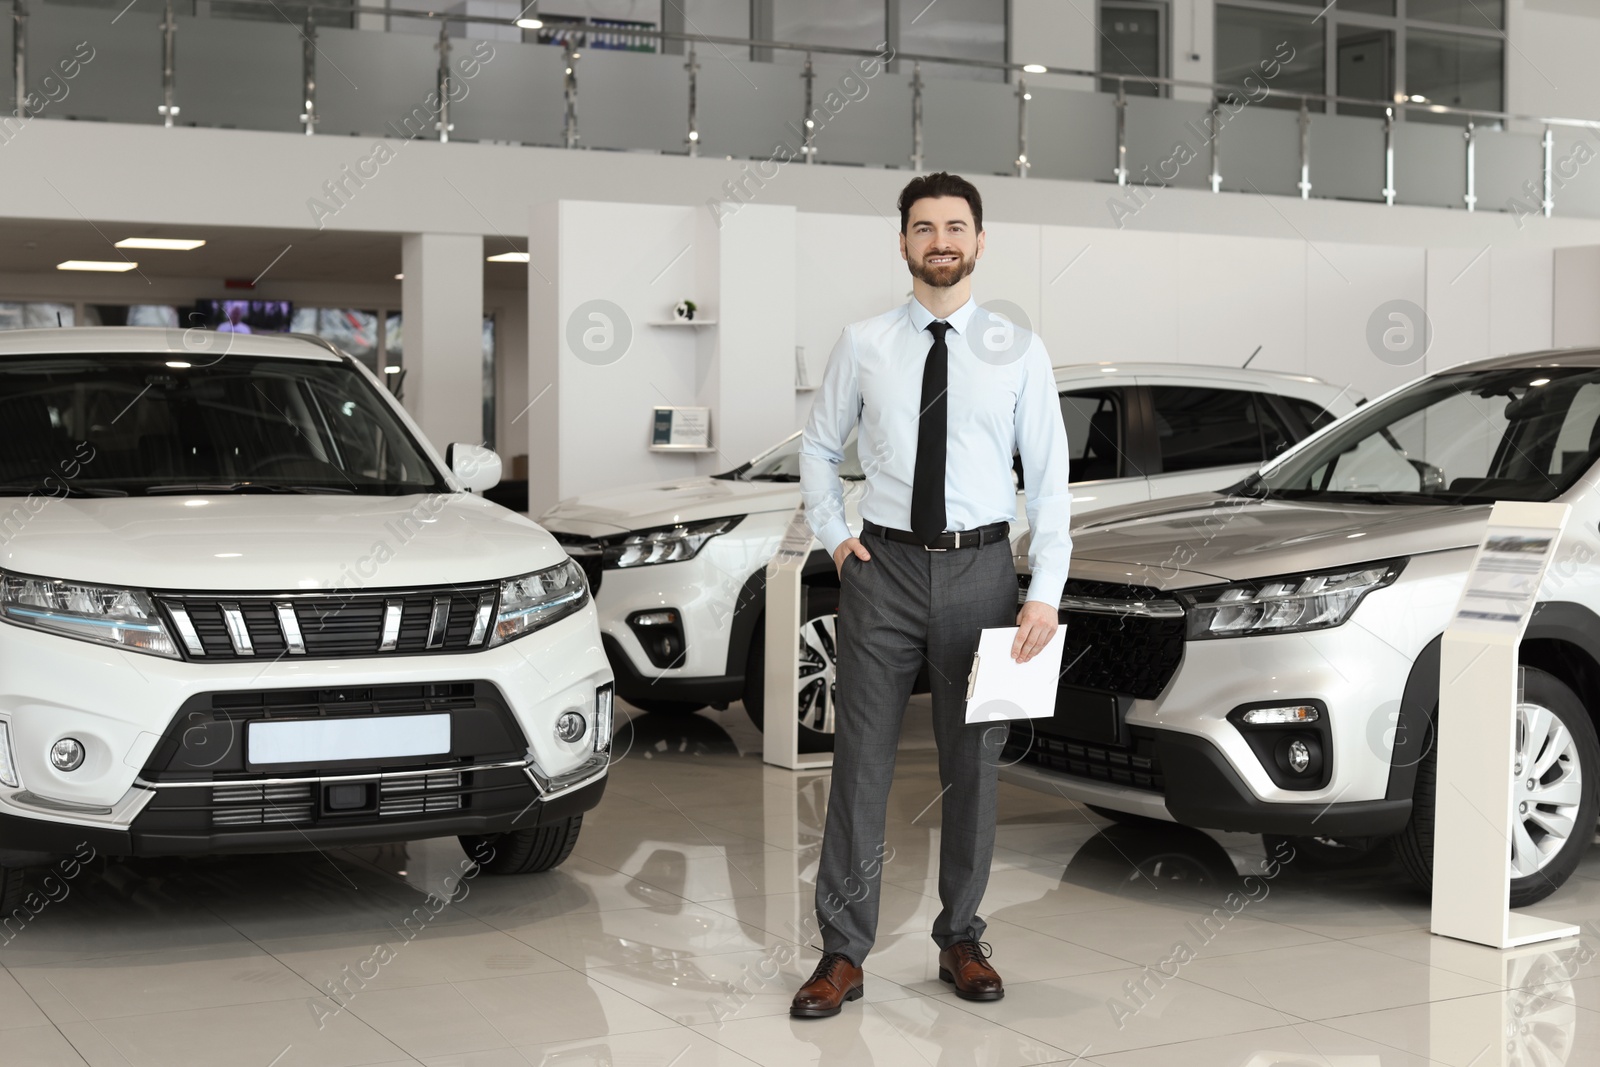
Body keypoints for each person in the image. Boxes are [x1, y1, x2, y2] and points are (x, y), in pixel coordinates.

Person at [790, 171, 1073, 1018]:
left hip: (982, 575)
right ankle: (843, 953)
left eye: (956, 226)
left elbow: (1050, 481)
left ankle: (961, 936)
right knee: (860, 765)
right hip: (883, 573)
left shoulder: (1019, 348)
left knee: (973, 767)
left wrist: (1044, 590)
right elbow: (817, 445)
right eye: (924, 227)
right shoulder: (865, 340)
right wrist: (836, 538)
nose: (940, 240)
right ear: (903, 242)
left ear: (980, 242)